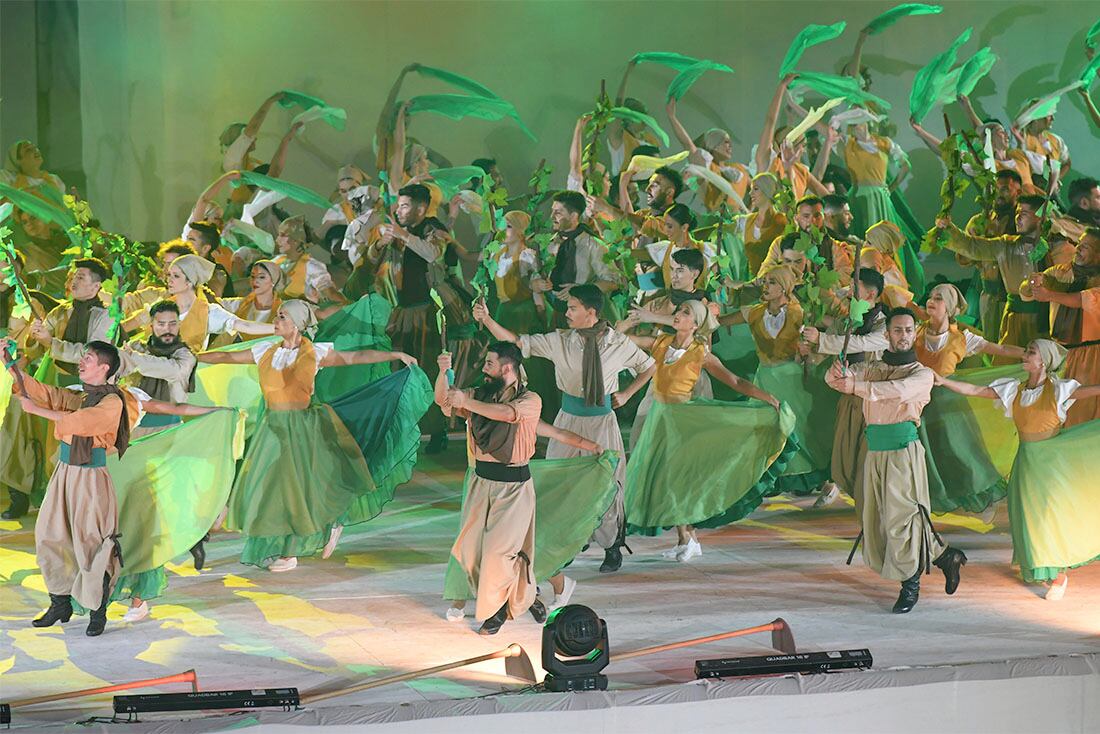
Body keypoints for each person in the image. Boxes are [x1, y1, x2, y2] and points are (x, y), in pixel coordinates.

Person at [197, 300, 423, 571]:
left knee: (297, 489)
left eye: (282, 317)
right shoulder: (264, 351)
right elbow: (225, 357)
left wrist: (394, 355)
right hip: (272, 429)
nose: (276, 321)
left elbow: (355, 357)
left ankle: (291, 551)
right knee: (268, 487)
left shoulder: (314, 353)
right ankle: (290, 540)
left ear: (296, 323)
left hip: (302, 428)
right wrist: (192, 356)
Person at [473, 284, 656, 573]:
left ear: (591, 312)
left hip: (602, 422)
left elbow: (649, 366)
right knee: (563, 481)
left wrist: (628, 393)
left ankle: (611, 546)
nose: (567, 313)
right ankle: (567, 541)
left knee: (608, 482)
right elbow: (518, 343)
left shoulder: (617, 343)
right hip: (568, 419)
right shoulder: (561, 340)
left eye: (572, 308)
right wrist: (487, 320)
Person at [824, 308, 968, 614]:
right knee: (877, 516)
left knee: (901, 519)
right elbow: (837, 382)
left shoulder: (921, 374)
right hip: (874, 451)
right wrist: (837, 372)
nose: (903, 335)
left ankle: (910, 583)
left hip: (903, 453)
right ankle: (945, 556)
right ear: (886, 335)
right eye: (897, 330)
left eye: (908, 330)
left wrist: (856, 386)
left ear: (914, 333)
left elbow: (895, 392)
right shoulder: (873, 368)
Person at [935, 340, 1100, 600]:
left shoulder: (1058, 390)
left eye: (1030, 352)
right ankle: (1041, 566)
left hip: (1050, 462)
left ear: (1043, 361)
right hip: (1025, 461)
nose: (1025, 354)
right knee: (1027, 517)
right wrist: (944, 382)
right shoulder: (1015, 390)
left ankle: (1058, 575)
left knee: (1049, 516)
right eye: (1026, 350)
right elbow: (976, 390)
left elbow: (1092, 391)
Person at [622, 300, 785, 562]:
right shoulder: (660, 343)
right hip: (658, 419)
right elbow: (626, 340)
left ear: (696, 324)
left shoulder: (702, 354)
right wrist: (625, 325)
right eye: (678, 310)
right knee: (664, 478)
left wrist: (767, 397)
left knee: (678, 478)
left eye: (685, 313)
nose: (677, 314)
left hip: (683, 421)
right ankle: (685, 538)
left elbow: (735, 381)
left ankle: (688, 537)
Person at [5, 339, 129, 636]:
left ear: (104, 367)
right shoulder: (82, 396)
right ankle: (60, 601)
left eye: (87, 358)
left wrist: (36, 410)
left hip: (90, 478)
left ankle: (98, 610)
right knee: (49, 534)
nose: (81, 362)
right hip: (65, 472)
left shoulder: (111, 401)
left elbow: (82, 423)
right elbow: (48, 394)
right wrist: (10, 365)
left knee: (91, 542)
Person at [435, 343, 546, 634]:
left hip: (513, 486)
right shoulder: (481, 394)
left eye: (489, 364)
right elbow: (443, 401)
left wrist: (466, 402)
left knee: (499, 553)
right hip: (480, 483)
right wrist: (442, 372)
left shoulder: (530, 399)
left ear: (506, 368)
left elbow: (507, 414)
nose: (484, 369)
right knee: (469, 552)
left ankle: (496, 611)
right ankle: (524, 595)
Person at [1, 258, 112, 520]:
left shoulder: (106, 316)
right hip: (57, 383)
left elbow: (93, 353)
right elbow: (37, 344)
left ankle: (75, 509)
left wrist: (53, 342)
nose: (74, 280)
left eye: (82, 277)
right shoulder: (61, 311)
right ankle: (35, 499)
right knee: (37, 439)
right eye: (74, 275)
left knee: (71, 449)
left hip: (88, 392)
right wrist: (33, 337)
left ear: (97, 285)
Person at [369, 183, 472, 453]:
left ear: (421, 208)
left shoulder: (431, 227)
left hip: (428, 310)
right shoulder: (397, 231)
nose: (399, 211)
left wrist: (403, 235)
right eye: (399, 205)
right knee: (399, 370)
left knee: (429, 370)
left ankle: (437, 430)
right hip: (401, 311)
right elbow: (370, 259)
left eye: (404, 206)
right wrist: (381, 242)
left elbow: (433, 253)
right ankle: (401, 429)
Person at [720, 266, 837, 492]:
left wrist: (815, 351)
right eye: (765, 281)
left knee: (800, 430)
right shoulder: (752, 312)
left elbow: (836, 328)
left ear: (784, 287)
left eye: (772, 282)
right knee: (764, 429)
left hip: (792, 379)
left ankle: (818, 480)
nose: (766, 286)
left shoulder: (801, 312)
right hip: (765, 378)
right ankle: (767, 481)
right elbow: (719, 322)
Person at [801, 268, 887, 508]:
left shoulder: (884, 324)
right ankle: (841, 485)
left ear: (870, 295)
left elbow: (861, 343)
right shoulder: (846, 320)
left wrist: (822, 341)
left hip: (873, 398)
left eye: (854, 288)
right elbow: (828, 346)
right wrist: (812, 350)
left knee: (868, 451)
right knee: (844, 445)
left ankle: (872, 501)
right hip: (847, 395)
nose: (849, 292)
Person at [936, 196, 1051, 356]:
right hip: (1014, 318)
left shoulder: (1052, 247)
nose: (1018, 218)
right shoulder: (1005, 245)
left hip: (1043, 318)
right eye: (1017, 213)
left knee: (1041, 360)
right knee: (1008, 361)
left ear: (1040, 218)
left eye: (1024, 214)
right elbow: (972, 246)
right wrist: (948, 228)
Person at [1023, 228, 1100, 425]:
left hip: (1090, 355)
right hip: (1059, 353)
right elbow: (1027, 290)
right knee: (1052, 409)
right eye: (1079, 243)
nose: (1078, 249)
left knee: (1081, 412)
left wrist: (1049, 295)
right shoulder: (1061, 271)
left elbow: (1084, 300)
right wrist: (1034, 282)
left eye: (1085, 247)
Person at [122, 254, 274, 352]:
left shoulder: (208, 312)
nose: (169, 280)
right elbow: (124, 327)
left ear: (189, 282)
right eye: (169, 275)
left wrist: (277, 328)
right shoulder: (161, 306)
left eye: (176, 276)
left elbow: (244, 325)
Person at [666, 98, 750, 212]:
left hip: (736, 224)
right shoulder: (707, 165)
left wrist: (749, 212)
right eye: (725, 142)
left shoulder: (739, 168)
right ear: (713, 144)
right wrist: (672, 117)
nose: (730, 146)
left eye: (730, 142)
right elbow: (687, 144)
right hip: (714, 224)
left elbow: (758, 190)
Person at [271, 216, 345, 306]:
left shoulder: (311, 267)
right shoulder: (276, 262)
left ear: (296, 240)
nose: (277, 240)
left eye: (283, 235)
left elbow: (331, 294)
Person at [211, 260, 285, 347]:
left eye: (261, 277)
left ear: (274, 281)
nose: (255, 281)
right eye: (253, 276)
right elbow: (214, 303)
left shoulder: (283, 310)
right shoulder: (241, 304)